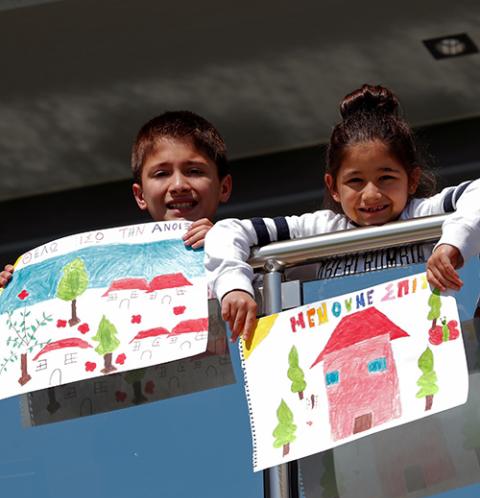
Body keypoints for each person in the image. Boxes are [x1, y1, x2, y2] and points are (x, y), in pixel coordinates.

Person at [204, 84, 480, 342]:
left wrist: (451, 245)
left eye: (386, 178)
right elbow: (228, 231)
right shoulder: (321, 228)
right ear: (333, 187)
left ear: (412, 179)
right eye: (356, 181)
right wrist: (235, 286)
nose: (371, 194)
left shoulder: (425, 214)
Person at [0, 110, 232, 287]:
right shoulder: (116, 265)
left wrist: (226, 243)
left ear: (224, 187)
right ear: (140, 196)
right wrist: (17, 287)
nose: (179, 185)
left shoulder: (248, 245)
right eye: (161, 174)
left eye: (194, 171)